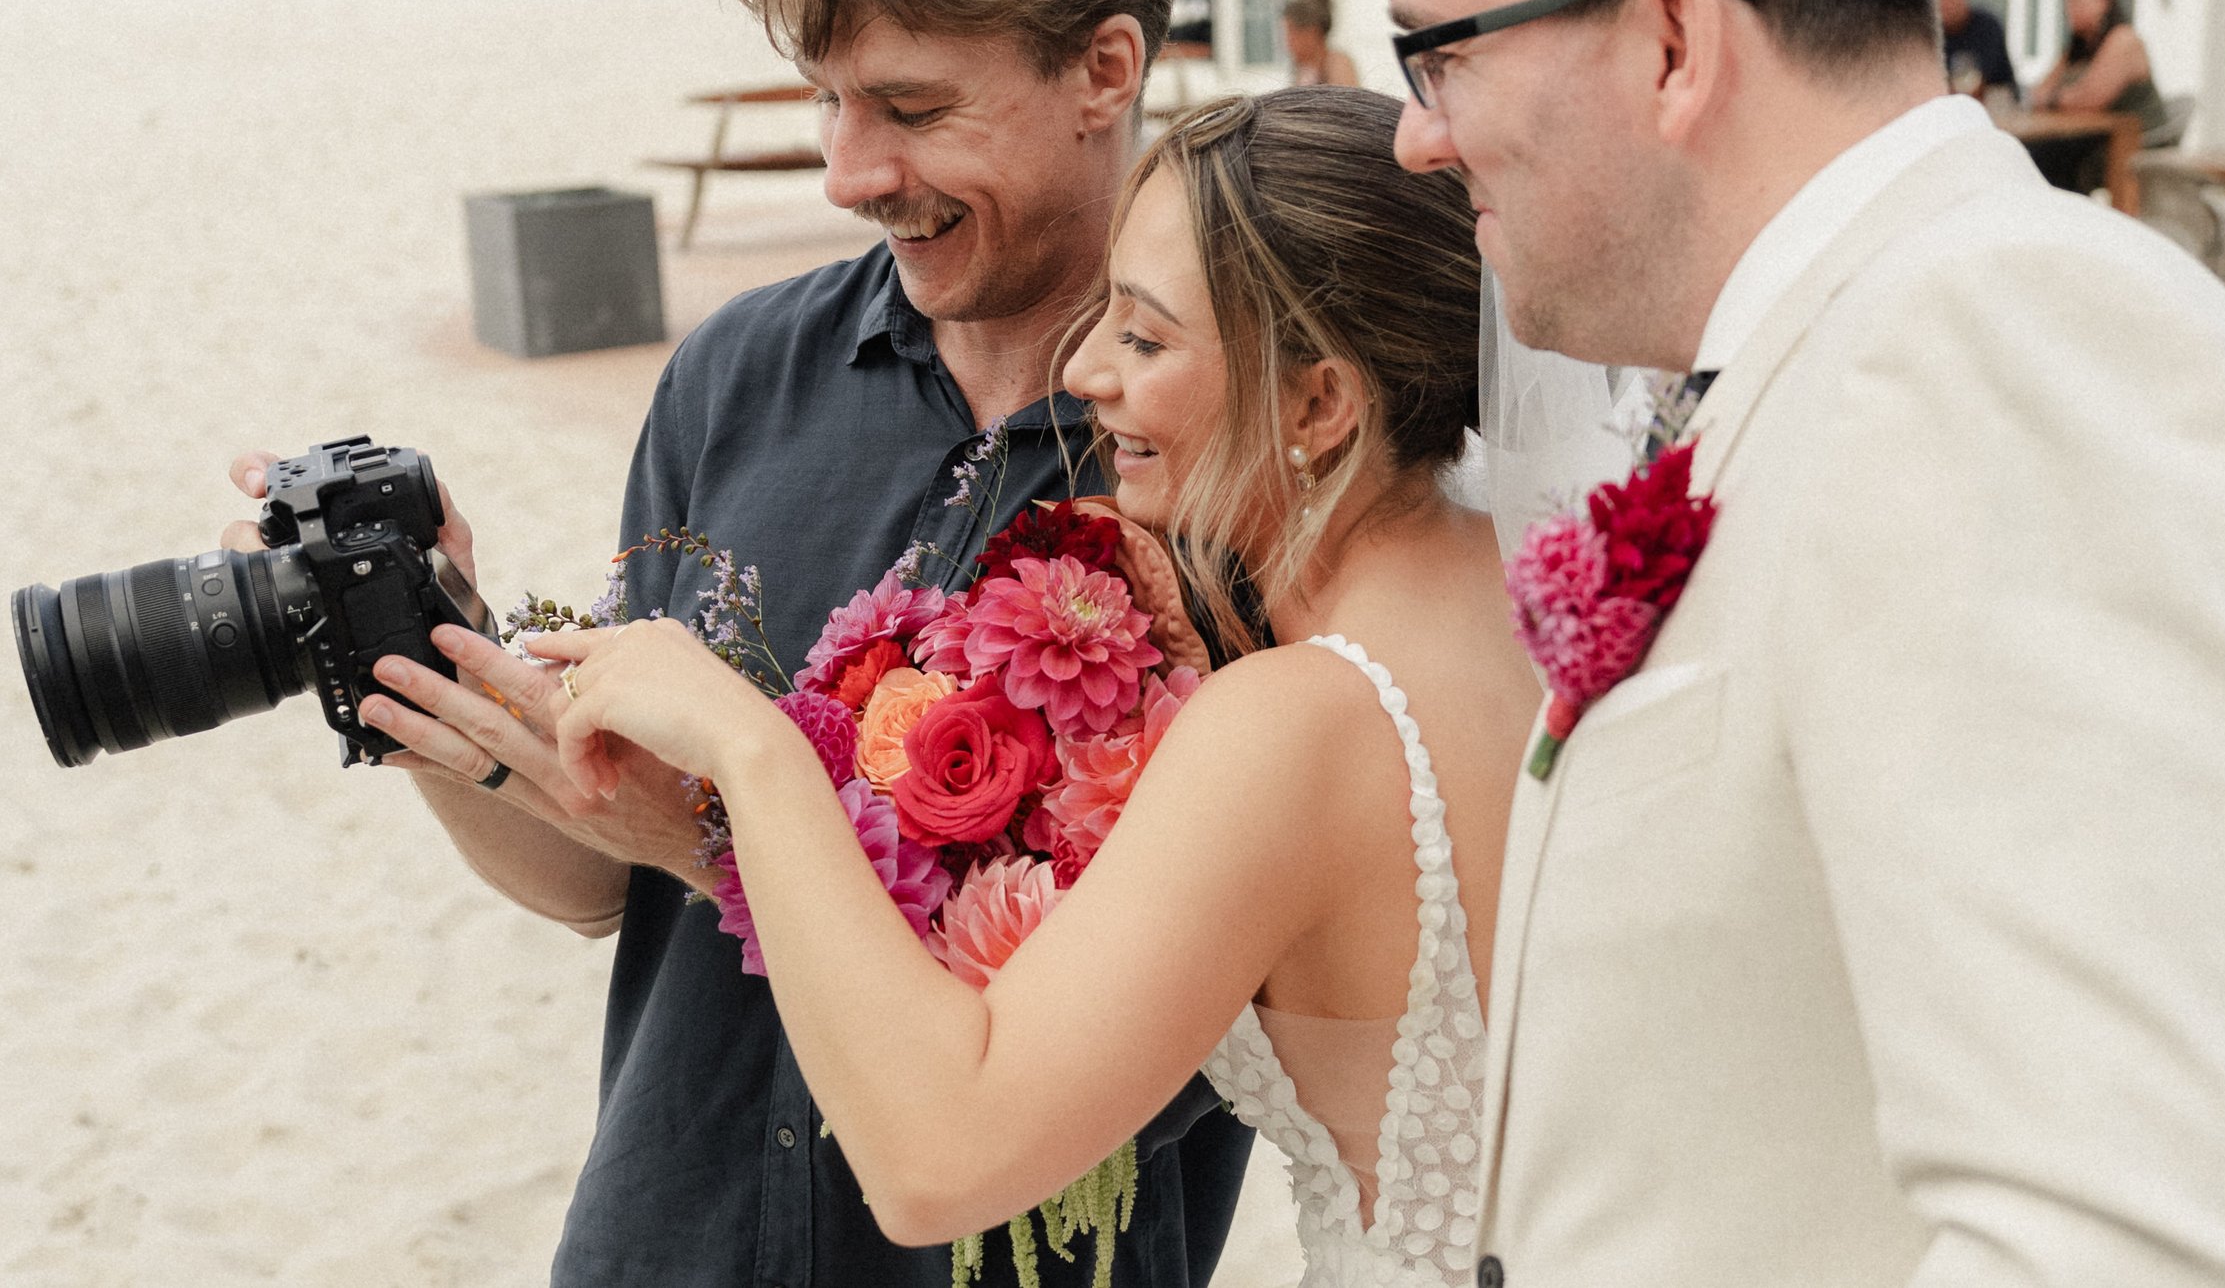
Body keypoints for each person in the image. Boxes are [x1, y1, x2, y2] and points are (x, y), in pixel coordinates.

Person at [1364, 0, 2225, 1286]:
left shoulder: (2000, 352)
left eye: (1441, 49)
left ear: (1670, 39)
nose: (1417, 129)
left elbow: (2139, 1244)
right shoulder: (1853, 346)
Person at [231, 0, 1256, 1287]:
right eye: (829, 100)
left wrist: (733, 826)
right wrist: (416, 652)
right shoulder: (739, 372)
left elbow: (1197, 1030)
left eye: (907, 106)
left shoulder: (1229, 444)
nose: (850, 170)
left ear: (1105, 68)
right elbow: (590, 881)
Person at [528, 86, 1538, 1288]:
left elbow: (936, 1163)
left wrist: (751, 751)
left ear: (1319, 402)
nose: (1088, 371)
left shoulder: (1296, 722)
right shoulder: (1536, 598)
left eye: (1146, 337)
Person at [2029, 0, 2166, 190]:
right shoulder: (2080, 46)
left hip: (2134, 145)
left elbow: (2090, 100)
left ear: (2103, 2)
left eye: (2078, 0)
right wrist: (2058, 97)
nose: (2070, 9)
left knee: (2048, 160)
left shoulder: (2123, 40)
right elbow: (2039, 92)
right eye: (2068, 1)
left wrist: (2054, 98)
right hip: (2089, 140)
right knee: (2031, 152)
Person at [1932, 0, 2018, 105]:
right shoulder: (1930, 36)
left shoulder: (1987, 26)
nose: (1943, 2)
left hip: (1995, 112)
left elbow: (1973, 86)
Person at [1280, 0, 1360, 86]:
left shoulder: (1337, 64)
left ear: (1312, 32)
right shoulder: (1302, 70)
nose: (1287, 42)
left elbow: (1346, 100)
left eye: (1291, 33)